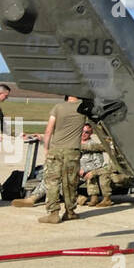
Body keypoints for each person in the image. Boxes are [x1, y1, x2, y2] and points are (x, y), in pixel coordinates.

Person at [38, 95, 87, 224]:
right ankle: (70, 212)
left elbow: (49, 130)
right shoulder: (84, 108)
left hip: (56, 150)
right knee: (70, 182)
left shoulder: (58, 107)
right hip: (73, 151)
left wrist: (46, 149)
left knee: (52, 182)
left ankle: (53, 213)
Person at [78, 124, 117, 207]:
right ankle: (79, 198)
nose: (83, 134)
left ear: (91, 133)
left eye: (87, 132)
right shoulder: (75, 143)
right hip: (76, 172)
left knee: (91, 176)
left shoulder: (94, 146)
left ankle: (94, 198)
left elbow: (98, 164)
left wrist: (85, 170)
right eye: (82, 131)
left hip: (88, 173)